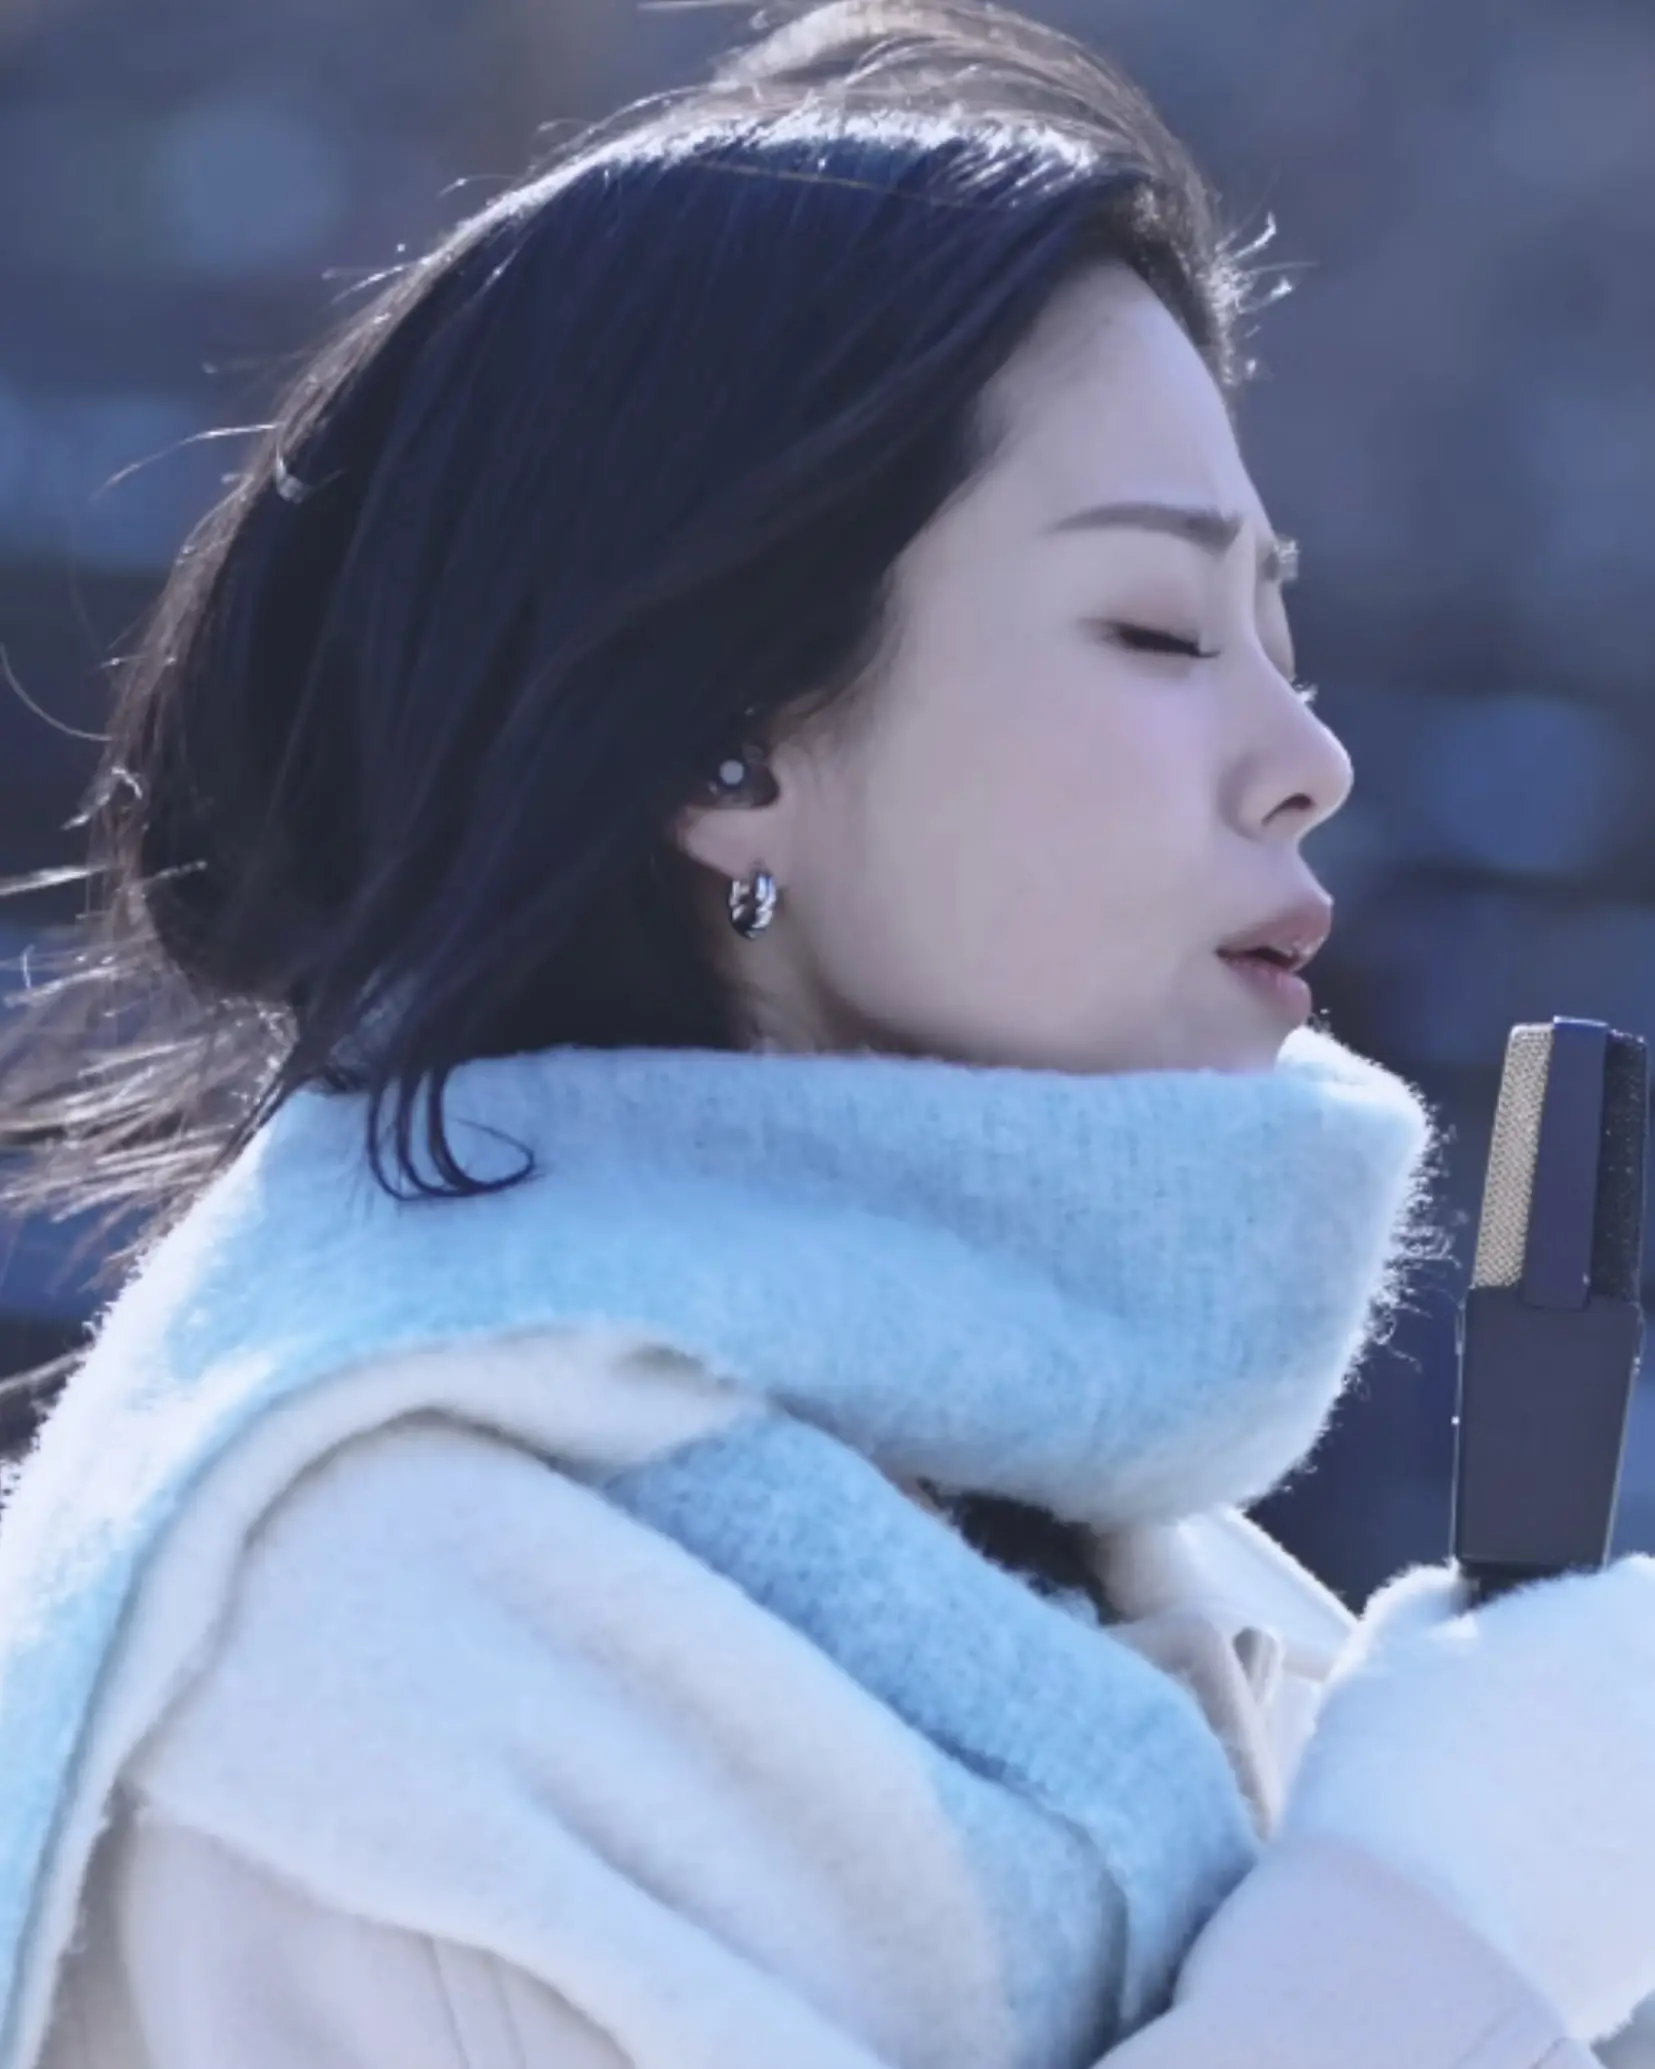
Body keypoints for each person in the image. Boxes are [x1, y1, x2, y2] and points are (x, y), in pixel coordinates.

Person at [3, 2, 1655, 2064]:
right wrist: (1432, 1933)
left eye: (1281, 637)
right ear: (727, 742)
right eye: (1155, 628)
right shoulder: (365, 1648)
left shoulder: (1131, 1577)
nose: (1305, 755)